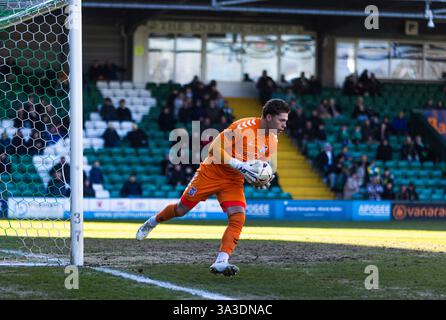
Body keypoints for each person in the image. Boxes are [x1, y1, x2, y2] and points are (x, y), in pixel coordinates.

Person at [136, 99, 289, 277]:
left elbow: (259, 165)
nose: (285, 125)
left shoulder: (273, 140)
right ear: (269, 117)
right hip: (211, 172)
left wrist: (260, 178)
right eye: (282, 120)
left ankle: (221, 261)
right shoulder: (243, 127)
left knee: (238, 216)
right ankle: (152, 222)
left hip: (233, 180)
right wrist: (239, 165)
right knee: (181, 210)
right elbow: (213, 148)